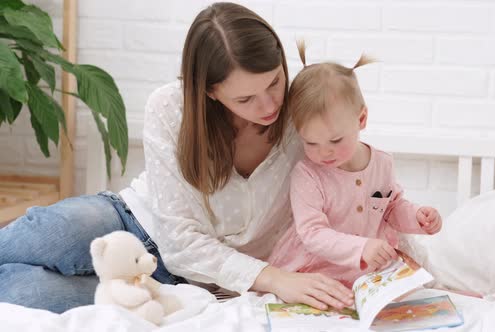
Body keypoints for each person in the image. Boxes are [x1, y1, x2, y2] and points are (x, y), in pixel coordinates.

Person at [0, 2, 353, 314]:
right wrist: (273, 278)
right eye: (245, 99)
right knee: (51, 234)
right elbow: (180, 239)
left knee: (25, 292)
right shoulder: (171, 107)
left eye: (274, 82)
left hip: (181, 283)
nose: (269, 105)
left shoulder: (303, 116)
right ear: (210, 91)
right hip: (134, 222)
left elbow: (355, 182)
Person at [268, 41, 443, 288]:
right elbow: (312, 233)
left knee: (419, 287)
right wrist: (362, 247)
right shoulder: (307, 175)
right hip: (317, 267)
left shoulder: (382, 163)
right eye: (310, 142)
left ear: (361, 119)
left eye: (335, 140)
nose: (324, 152)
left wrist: (417, 217)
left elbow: (391, 208)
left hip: (368, 267)